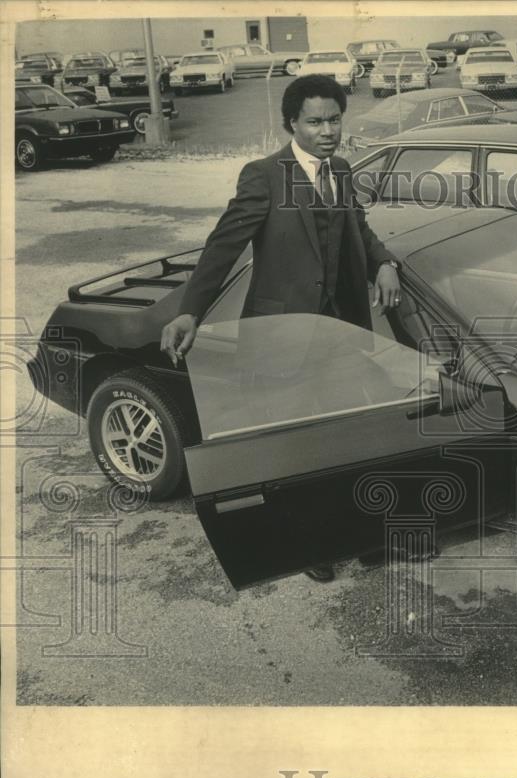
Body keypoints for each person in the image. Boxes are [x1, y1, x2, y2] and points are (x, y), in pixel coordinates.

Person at [160, 74, 403, 582]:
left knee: (353, 435)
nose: (327, 131)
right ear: (292, 123)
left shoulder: (340, 170)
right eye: (315, 122)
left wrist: (384, 263)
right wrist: (190, 310)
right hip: (282, 339)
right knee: (298, 449)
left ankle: (364, 534)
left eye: (334, 119)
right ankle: (311, 546)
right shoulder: (263, 175)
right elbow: (224, 245)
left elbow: (357, 226)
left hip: (344, 333)